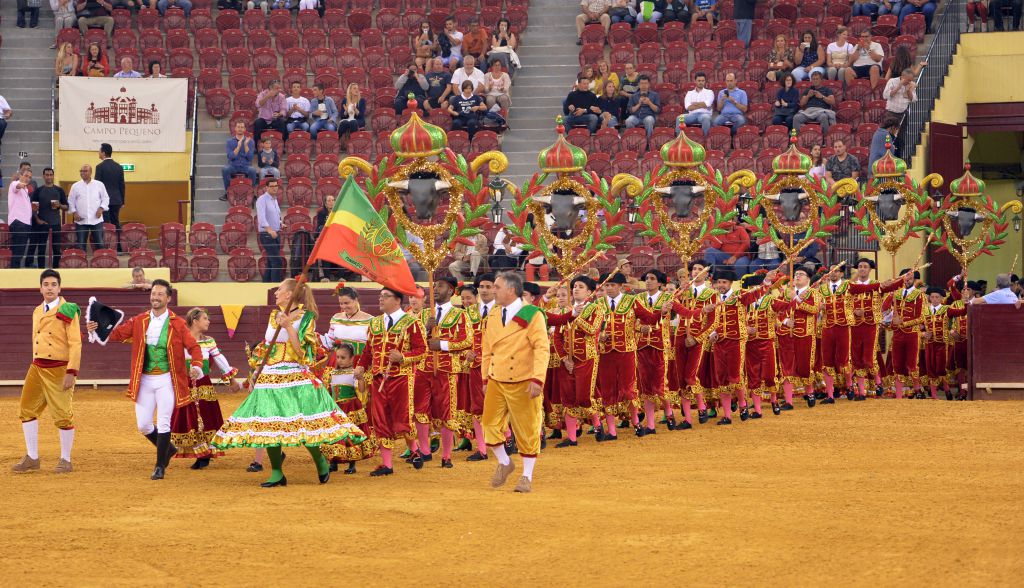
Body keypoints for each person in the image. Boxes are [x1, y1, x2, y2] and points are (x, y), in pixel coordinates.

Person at [214, 279, 365, 487]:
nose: (276, 293)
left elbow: (304, 353)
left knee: (304, 423)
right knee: (269, 424)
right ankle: (277, 472)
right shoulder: (273, 315)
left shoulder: (306, 317)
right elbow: (267, 348)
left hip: (295, 374)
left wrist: (288, 327)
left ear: (289, 294)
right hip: (269, 376)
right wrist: (256, 372)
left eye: (280, 290)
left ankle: (319, 460)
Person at [88, 279, 205, 480]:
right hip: (145, 380)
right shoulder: (139, 320)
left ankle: (160, 466)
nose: (155, 297)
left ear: (168, 298)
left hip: (167, 379)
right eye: (153, 293)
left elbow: (194, 347)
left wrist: (196, 365)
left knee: (164, 422)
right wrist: (96, 327)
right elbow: (116, 334)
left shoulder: (177, 323)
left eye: (160, 294)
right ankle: (168, 449)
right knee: (143, 425)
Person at [480, 272, 550, 493]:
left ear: (511, 290)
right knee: (489, 425)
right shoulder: (493, 313)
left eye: (497, 287)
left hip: (524, 379)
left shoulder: (532, 314)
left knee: (527, 429)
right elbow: (486, 349)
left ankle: (527, 475)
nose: (493, 291)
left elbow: (542, 348)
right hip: (496, 377)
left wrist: (537, 379)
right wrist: (485, 377)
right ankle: (504, 462)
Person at [12, 270, 81, 474]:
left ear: (59, 288)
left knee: (62, 414)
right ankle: (32, 457)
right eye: (46, 284)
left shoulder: (68, 309)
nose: (50, 288)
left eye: (53, 284)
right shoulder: (37, 310)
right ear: (40, 288)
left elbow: (75, 343)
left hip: (59, 368)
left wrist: (71, 371)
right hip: (37, 366)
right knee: (26, 409)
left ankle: (66, 459)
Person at [355, 287, 428, 476]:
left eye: (385, 296)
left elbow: (422, 350)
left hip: (401, 378)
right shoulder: (375, 323)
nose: (381, 299)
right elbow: (368, 351)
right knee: (380, 420)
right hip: (378, 378)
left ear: (397, 300)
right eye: (380, 296)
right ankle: (387, 465)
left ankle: (414, 449)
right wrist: (361, 366)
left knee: (402, 419)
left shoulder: (412, 323)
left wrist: (403, 357)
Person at [702, 267, 777, 424]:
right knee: (721, 377)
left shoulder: (739, 295)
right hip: (719, 342)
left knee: (735, 376)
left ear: (731, 283)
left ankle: (742, 404)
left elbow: (757, 293)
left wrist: (767, 280)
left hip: (736, 340)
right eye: (718, 282)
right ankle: (727, 415)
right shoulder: (712, 299)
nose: (721, 285)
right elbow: (709, 321)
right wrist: (711, 333)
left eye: (724, 282)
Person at [171, 307, 240, 470]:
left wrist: (231, 380)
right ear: (195, 321)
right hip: (185, 385)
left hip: (203, 385)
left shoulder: (209, 341)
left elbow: (220, 360)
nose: (208, 321)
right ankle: (200, 452)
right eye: (205, 319)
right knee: (189, 418)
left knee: (206, 418)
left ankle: (204, 454)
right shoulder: (179, 339)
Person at [595, 273, 661, 439]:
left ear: (621, 286)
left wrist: (662, 311)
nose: (609, 288)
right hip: (606, 353)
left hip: (626, 351)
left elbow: (650, 318)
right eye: (607, 285)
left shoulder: (632, 301)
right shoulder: (598, 304)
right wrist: (599, 336)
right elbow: (592, 327)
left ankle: (636, 423)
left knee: (628, 388)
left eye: (612, 285)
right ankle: (611, 430)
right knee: (608, 390)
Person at [318, 286, 376, 474]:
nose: (344, 307)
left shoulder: (370, 320)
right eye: (341, 303)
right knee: (333, 410)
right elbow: (329, 342)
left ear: (356, 300)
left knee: (359, 408)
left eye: (347, 303)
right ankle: (336, 454)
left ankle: (354, 453)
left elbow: (373, 347)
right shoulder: (336, 318)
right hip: (336, 366)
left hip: (358, 365)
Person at [418, 277, 472, 469]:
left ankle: (446, 455)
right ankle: (425, 451)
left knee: (447, 411)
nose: (435, 289)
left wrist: (442, 344)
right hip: (423, 368)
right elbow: (412, 341)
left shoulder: (460, 314)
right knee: (420, 410)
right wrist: (425, 329)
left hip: (447, 370)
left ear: (451, 291)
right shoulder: (424, 314)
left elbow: (467, 341)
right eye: (434, 286)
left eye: (440, 286)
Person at [545, 277, 604, 446]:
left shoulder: (596, 309)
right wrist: (564, 358)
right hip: (567, 361)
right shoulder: (566, 311)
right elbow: (557, 337)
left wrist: (576, 317)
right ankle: (572, 438)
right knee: (568, 398)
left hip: (586, 358)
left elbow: (592, 330)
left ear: (589, 292)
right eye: (575, 286)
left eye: (580, 286)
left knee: (584, 397)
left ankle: (597, 423)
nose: (576, 289)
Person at [741, 271, 791, 415]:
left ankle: (774, 399)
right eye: (751, 288)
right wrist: (744, 328)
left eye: (755, 288)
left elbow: (787, 307)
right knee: (753, 376)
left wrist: (792, 297)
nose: (753, 291)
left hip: (766, 342)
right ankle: (757, 409)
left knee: (769, 375)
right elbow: (736, 320)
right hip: (750, 344)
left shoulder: (770, 300)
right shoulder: (745, 304)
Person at [778, 264, 821, 408]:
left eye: (801, 274)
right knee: (787, 366)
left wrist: (796, 298)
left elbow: (814, 310)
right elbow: (777, 310)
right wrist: (785, 321)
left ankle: (810, 392)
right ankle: (788, 400)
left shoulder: (813, 293)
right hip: (786, 334)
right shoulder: (786, 293)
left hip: (805, 334)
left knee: (805, 366)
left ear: (808, 279)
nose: (797, 276)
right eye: (796, 274)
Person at [882, 268, 926, 398]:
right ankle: (899, 394)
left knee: (912, 363)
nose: (907, 280)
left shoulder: (919, 295)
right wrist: (891, 293)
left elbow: (921, 317)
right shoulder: (896, 293)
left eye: (910, 278)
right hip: (897, 334)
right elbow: (884, 310)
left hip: (912, 334)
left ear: (914, 280)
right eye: (904, 278)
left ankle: (917, 390)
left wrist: (903, 323)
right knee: (897, 364)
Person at [919, 287, 967, 400]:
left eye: (937, 297)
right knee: (930, 368)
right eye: (932, 297)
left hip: (943, 344)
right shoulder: (924, 310)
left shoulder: (947, 309)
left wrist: (966, 303)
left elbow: (962, 312)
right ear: (929, 298)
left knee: (941, 368)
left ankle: (946, 389)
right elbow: (918, 326)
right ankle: (935, 395)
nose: (934, 299)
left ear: (941, 299)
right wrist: (923, 334)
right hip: (929, 343)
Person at [32, 168, 68, 269]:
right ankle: (41, 270)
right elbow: (33, 207)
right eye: (47, 175)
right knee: (41, 249)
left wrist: (59, 205)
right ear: (43, 176)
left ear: (53, 176)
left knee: (56, 249)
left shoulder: (59, 190)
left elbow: (66, 207)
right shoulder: (38, 190)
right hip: (42, 224)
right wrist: (37, 219)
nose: (49, 177)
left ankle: (55, 270)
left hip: (56, 224)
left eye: (50, 175)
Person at [68, 164, 109, 253]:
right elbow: (70, 201)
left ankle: (100, 261)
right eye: (81, 171)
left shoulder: (99, 184)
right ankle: (82, 261)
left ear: (90, 172)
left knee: (100, 244)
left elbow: (106, 198)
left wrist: (101, 209)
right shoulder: (75, 186)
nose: (82, 173)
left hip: (96, 220)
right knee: (80, 245)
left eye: (85, 171)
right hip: (81, 221)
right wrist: (74, 213)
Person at [95, 143, 125, 253]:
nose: (98, 153)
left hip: (104, 201)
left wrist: (97, 202)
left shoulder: (99, 167)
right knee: (116, 223)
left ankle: (107, 248)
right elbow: (122, 185)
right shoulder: (119, 167)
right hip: (117, 200)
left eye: (99, 151)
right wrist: (122, 201)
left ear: (103, 153)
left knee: (106, 225)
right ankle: (119, 248)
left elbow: (97, 186)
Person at [793, 70, 836, 136]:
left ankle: (825, 138)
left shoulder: (827, 90)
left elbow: (832, 102)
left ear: (821, 80)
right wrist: (808, 96)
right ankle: (798, 138)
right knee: (796, 117)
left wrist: (822, 96)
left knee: (824, 117)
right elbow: (801, 104)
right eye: (813, 79)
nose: (815, 81)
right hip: (809, 111)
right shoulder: (808, 90)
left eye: (817, 79)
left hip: (821, 111)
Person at [7, 168, 35, 269]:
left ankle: (14, 271)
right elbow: (17, 186)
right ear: (20, 175)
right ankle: (14, 273)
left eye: (30, 177)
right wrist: (20, 184)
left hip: (25, 224)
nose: (28, 179)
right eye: (26, 176)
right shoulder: (14, 184)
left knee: (19, 252)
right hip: (19, 223)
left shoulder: (26, 190)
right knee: (18, 252)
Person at [221, 120, 258, 196]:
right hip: (233, 165)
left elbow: (250, 158)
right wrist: (238, 147)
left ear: (244, 129)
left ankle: (251, 192)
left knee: (252, 170)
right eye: (238, 127)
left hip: (246, 166)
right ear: (235, 128)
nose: (240, 129)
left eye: (242, 127)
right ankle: (228, 192)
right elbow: (230, 157)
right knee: (225, 169)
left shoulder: (250, 141)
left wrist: (245, 145)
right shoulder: (229, 141)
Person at [254, 79, 288, 145]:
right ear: (270, 88)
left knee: (282, 122)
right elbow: (257, 104)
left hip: (275, 119)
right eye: (276, 88)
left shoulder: (281, 96)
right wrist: (267, 96)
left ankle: (282, 145)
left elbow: (284, 110)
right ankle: (257, 145)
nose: (279, 90)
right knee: (257, 123)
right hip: (264, 119)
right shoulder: (262, 94)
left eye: (279, 88)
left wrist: (279, 114)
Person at [683, 72, 715, 136]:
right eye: (699, 81)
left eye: (703, 81)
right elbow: (688, 107)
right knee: (679, 118)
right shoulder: (689, 93)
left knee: (705, 118)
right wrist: (703, 105)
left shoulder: (709, 92)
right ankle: (680, 139)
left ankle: (705, 138)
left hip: (704, 114)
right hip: (692, 115)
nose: (701, 82)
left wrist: (695, 104)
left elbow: (707, 104)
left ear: (705, 81)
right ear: (695, 81)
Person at [337, 83, 366, 149]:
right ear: (350, 90)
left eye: (357, 88)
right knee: (343, 122)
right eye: (354, 88)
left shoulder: (362, 101)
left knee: (353, 122)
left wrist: (355, 109)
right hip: (348, 119)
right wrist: (346, 111)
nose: (356, 90)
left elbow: (361, 115)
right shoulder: (345, 101)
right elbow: (342, 115)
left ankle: (353, 143)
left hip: (359, 120)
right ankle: (337, 141)